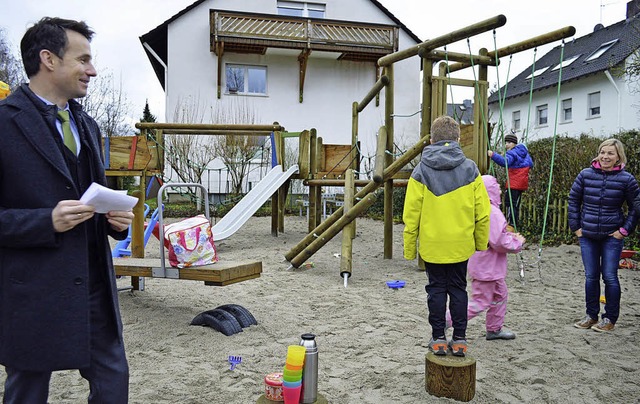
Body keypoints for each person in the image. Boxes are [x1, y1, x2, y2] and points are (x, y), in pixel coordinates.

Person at [0, 17, 134, 402]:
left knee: (113, 386)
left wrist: (116, 222)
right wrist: (46, 221)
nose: (92, 70)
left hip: (94, 287)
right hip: (33, 292)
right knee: (27, 392)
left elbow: (93, 192)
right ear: (49, 59)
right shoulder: (4, 123)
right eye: (83, 59)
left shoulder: (88, 125)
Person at [403, 115, 491, 357]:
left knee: (436, 290)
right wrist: (480, 243)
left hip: (433, 244)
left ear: (431, 140)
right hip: (460, 244)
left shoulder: (421, 171)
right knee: (459, 289)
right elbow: (483, 213)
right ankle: (460, 338)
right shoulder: (471, 169)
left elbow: (411, 215)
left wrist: (410, 248)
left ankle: (439, 337)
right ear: (458, 139)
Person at [569, 139, 639, 333]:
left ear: (618, 157)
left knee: (610, 276)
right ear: (598, 154)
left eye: (610, 153)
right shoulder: (585, 175)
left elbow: (636, 207)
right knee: (591, 276)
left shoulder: (627, 179)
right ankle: (591, 315)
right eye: (602, 152)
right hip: (588, 235)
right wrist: (576, 228)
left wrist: (624, 231)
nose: (605, 156)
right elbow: (573, 200)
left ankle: (609, 318)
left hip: (612, 236)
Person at [446, 175, 525, 340]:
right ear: (491, 191)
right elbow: (498, 240)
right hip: (487, 267)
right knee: (479, 302)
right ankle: (447, 319)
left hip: (487, 266)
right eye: (497, 187)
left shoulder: (476, 208)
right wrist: (516, 241)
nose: (500, 190)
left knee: (500, 295)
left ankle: (494, 328)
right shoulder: (492, 212)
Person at [487, 132, 533, 229]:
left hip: (513, 183)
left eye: (508, 142)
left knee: (510, 204)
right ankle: (513, 224)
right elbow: (530, 164)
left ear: (514, 143)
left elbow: (505, 162)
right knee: (515, 204)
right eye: (506, 142)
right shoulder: (523, 152)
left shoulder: (512, 153)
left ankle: (510, 225)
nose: (506, 145)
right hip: (521, 183)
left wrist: (493, 155)